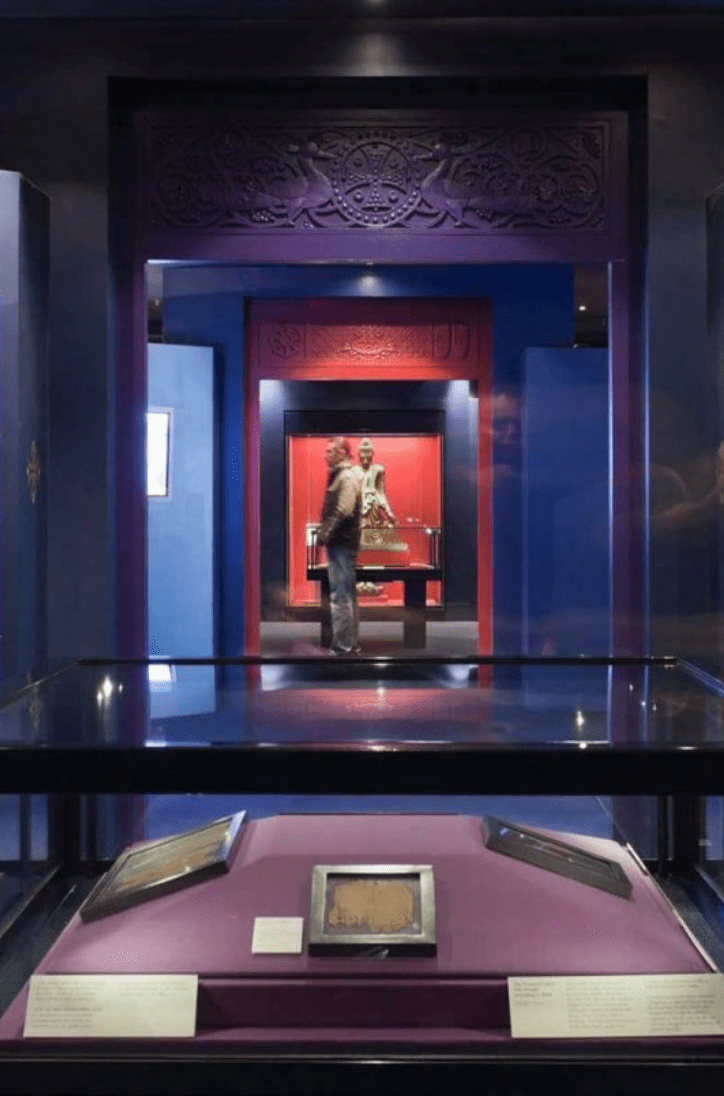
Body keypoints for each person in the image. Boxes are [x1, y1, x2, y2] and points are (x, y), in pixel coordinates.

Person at [316, 436, 362, 655]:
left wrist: (324, 533)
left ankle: (343, 647)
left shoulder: (346, 476)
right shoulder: (344, 475)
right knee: (347, 595)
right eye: (327, 451)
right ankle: (349, 644)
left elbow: (343, 511)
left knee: (341, 596)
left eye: (331, 451)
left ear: (343, 452)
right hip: (342, 542)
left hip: (341, 543)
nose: (326, 455)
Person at [354, 437, 396, 527]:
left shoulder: (378, 470)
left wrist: (388, 512)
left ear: (372, 454)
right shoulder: (353, 470)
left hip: (372, 506)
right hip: (357, 508)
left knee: (373, 496)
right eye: (363, 453)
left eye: (368, 453)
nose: (365, 456)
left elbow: (380, 492)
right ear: (359, 454)